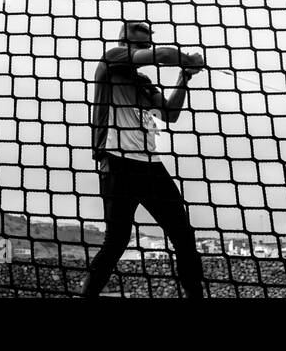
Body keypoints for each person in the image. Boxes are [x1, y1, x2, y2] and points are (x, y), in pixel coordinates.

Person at [82, 20, 207, 298]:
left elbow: (169, 113)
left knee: (183, 236)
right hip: (117, 161)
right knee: (117, 242)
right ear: (124, 43)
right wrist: (187, 58)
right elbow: (162, 56)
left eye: (148, 46)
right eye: (142, 46)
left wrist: (184, 76)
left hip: (150, 165)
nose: (146, 50)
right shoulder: (110, 60)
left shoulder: (142, 82)